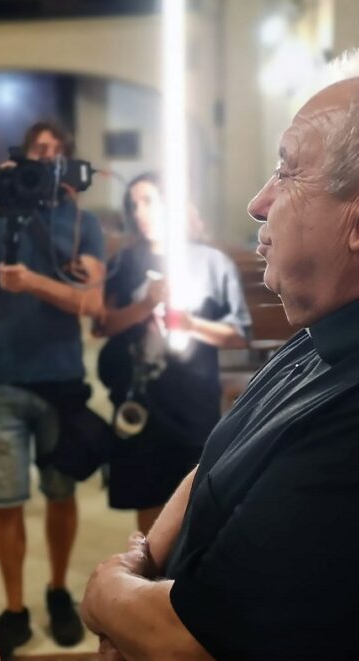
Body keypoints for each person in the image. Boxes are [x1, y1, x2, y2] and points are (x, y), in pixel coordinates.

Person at [80, 48, 359, 661]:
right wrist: (146, 561)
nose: (259, 203)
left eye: (287, 170)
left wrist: (109, 595)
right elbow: (222, 456)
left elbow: (197, 650)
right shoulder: (357, 319)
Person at [0, 120, 106, 661]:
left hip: (60, 380)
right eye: (36, 152)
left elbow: (94, 302)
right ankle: (15, 607)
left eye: (55, 153)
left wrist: (36, 283)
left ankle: (59, 591)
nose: (45, 159)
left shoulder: (82, 219)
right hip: (0, 379)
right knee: (6, 500)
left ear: (67, 164)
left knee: (62, 495)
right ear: (21, 158)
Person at [96, 172, 251, 535]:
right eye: (133, 205)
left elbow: (238, 335)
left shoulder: (211, 262)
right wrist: (144, 306)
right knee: (148, 497)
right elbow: (103, 325)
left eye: (148, 201)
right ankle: (148, 579)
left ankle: (184, 582)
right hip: (142, 399)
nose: (140, 212)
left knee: (195, 497)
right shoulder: (127, 260)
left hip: (193, 396)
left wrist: (190, 324)